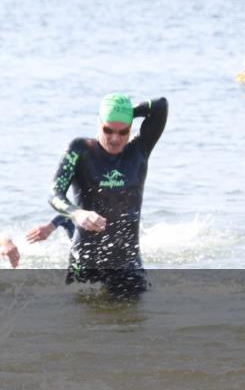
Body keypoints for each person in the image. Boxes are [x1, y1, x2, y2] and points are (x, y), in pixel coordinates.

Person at [29, 93, 168, 298]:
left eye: (123, 132)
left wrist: (129, 112)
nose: (115, 138)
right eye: (108, 130)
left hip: (127, 264)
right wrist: (77, 213)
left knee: (136, 326)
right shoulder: (80, 150)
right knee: (81, 327)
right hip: (85, 263)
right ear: (99, 123)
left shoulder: (139, 150)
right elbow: (54, 193)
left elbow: (160, 106)